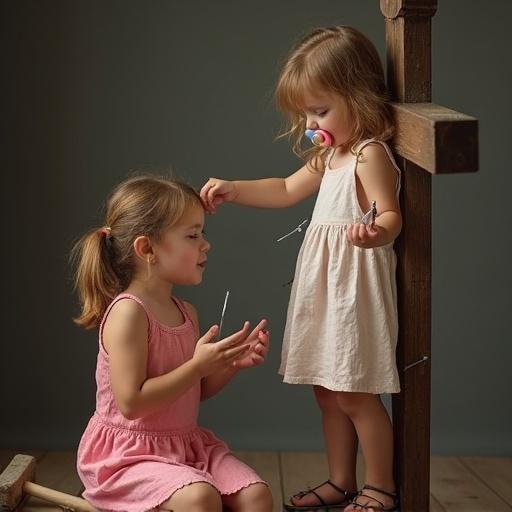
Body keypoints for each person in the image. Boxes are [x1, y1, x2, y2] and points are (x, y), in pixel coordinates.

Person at [200, 26, 401, 512]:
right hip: (324, 289)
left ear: (358, 97)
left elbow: (390, 214)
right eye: (306, 114)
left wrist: (376, 232)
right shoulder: (329, 155)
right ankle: (339, 480)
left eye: (321, 110)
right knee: (326, 392)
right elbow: (286, 190)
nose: (312, 124)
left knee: (354, 391)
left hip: (353, 289)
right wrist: (235, 188)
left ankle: (381, 485)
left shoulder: (367, 154)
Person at [71, 175, 273, 512]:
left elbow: (193, 390)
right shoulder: (128, 313)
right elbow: (132, 403)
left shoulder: (186, 312)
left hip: (184, 447)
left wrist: (229, 365)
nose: (205, 244)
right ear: (147, 248)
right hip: (127, 458)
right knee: (200, 498)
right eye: (193, 235)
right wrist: (197, 365)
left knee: (256, 495)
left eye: (202, 233)